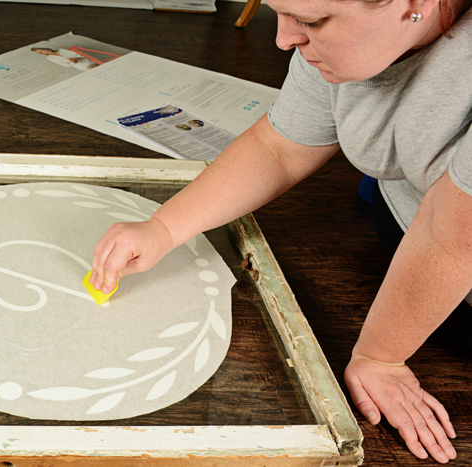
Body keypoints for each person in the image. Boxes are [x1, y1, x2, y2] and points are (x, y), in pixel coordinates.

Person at [89, 0, 472, 463]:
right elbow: (279, 147)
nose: (283, 39)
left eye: (310, 21)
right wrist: (164, 227)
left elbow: (449, 241)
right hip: (414, 235)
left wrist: (381, 358)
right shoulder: (333, 41)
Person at [30, 47, 98, 71]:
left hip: (88, 61)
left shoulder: (61, 50)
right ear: (42, 53)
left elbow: (78, 54)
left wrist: (75, 58)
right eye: (42, 51)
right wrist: (71, 61)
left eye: (43, 49)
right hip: (81, 66)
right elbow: (66, 65)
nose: (45, 50)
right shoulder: (50, 57)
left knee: (95, 68)